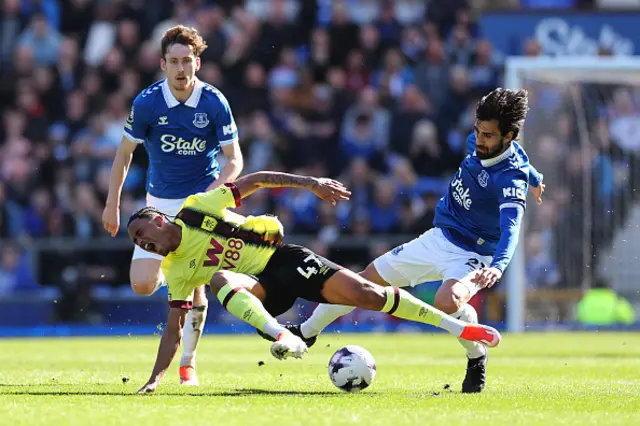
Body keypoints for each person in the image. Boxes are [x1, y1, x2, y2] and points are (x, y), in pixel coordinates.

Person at [126, 171, 502, 394]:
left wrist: (311, 183)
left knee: (366, 293)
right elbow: (174, 327)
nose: (144, 245)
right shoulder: (176, 270)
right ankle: (283, 335)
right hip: (261, 292)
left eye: (143, 234)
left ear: (159, 220)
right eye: (138, 244)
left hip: (285, 260)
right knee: (221, 278)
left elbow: (255, 181)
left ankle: (459, 328)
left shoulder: (196, 209)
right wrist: (155, 379)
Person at [285, 88, 545, 394]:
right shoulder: (477, 144)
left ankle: (476, 357)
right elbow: (524, 164)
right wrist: (538, 179)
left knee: (447, 302)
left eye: (487, 135)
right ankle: (307, 331)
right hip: (437, 238)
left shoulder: (510, 181)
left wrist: (498, 267)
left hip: (473, 254)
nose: (478, 139)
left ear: (510, 136)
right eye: (477, 130)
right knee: (361, 284)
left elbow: (511, 228)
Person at [101, 25, 244, 386]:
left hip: (201, 204)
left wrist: (209, 198)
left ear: (198, 62)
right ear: (163, 64)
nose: (181, 68)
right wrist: (111, 204)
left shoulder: (214, 102)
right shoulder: (148, 102)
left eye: (187, 61)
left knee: (202, 283)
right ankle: (176, 267)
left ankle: (188, 363)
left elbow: (235, 161)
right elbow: (124, 153)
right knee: (142, 284)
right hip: (160, 205)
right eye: (174, 61)